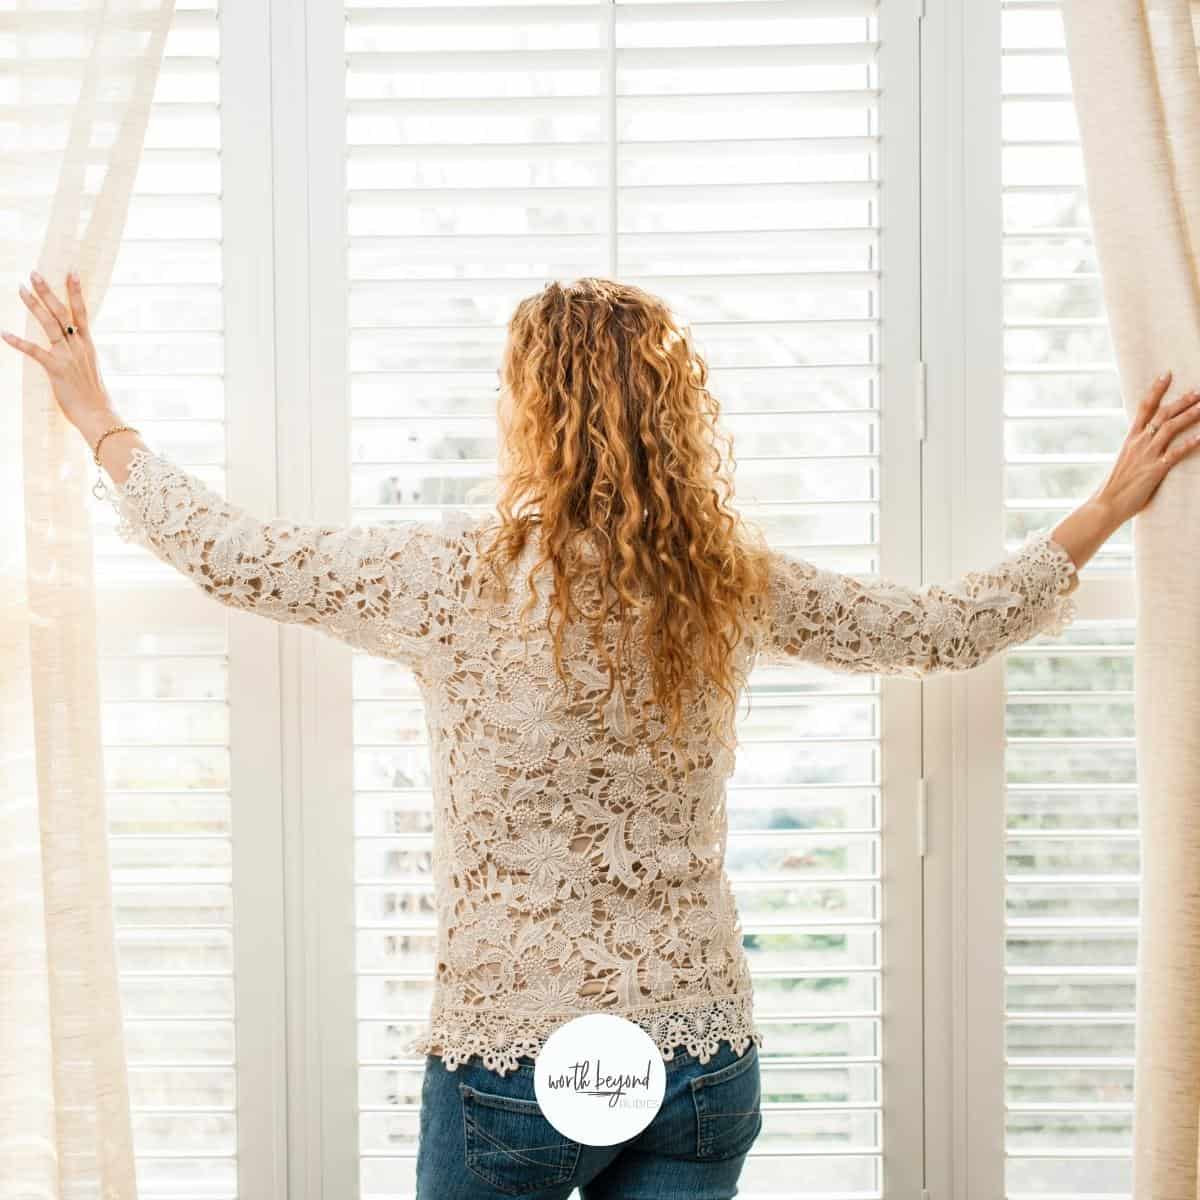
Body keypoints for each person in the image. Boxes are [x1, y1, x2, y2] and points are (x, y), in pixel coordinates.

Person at [5, 271, 1197, 1199]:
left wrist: (95, 414)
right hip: (697, 1060)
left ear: (532, 416)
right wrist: (1105, 502)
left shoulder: (451, 578)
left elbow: (233, 553)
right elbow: (940, 628)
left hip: (516, 1061)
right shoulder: (727, 583)